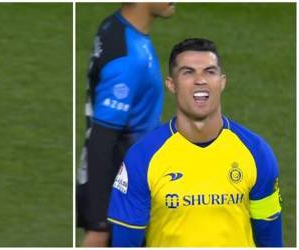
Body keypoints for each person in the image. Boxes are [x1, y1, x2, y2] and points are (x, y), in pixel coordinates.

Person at [107, 38, 283, 247]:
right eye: (188, 72)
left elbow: (270, 239)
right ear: (171, 84)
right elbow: (125, 242)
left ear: (222, 81)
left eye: (210, 71)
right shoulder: (142, 158)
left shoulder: (257, 153)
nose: (201, 80)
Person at [77, 3, 175, 246]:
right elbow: (102, 139)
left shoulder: (117, 28)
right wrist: (99, 223)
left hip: (133, 187)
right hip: (123, 195)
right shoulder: (128, 58)